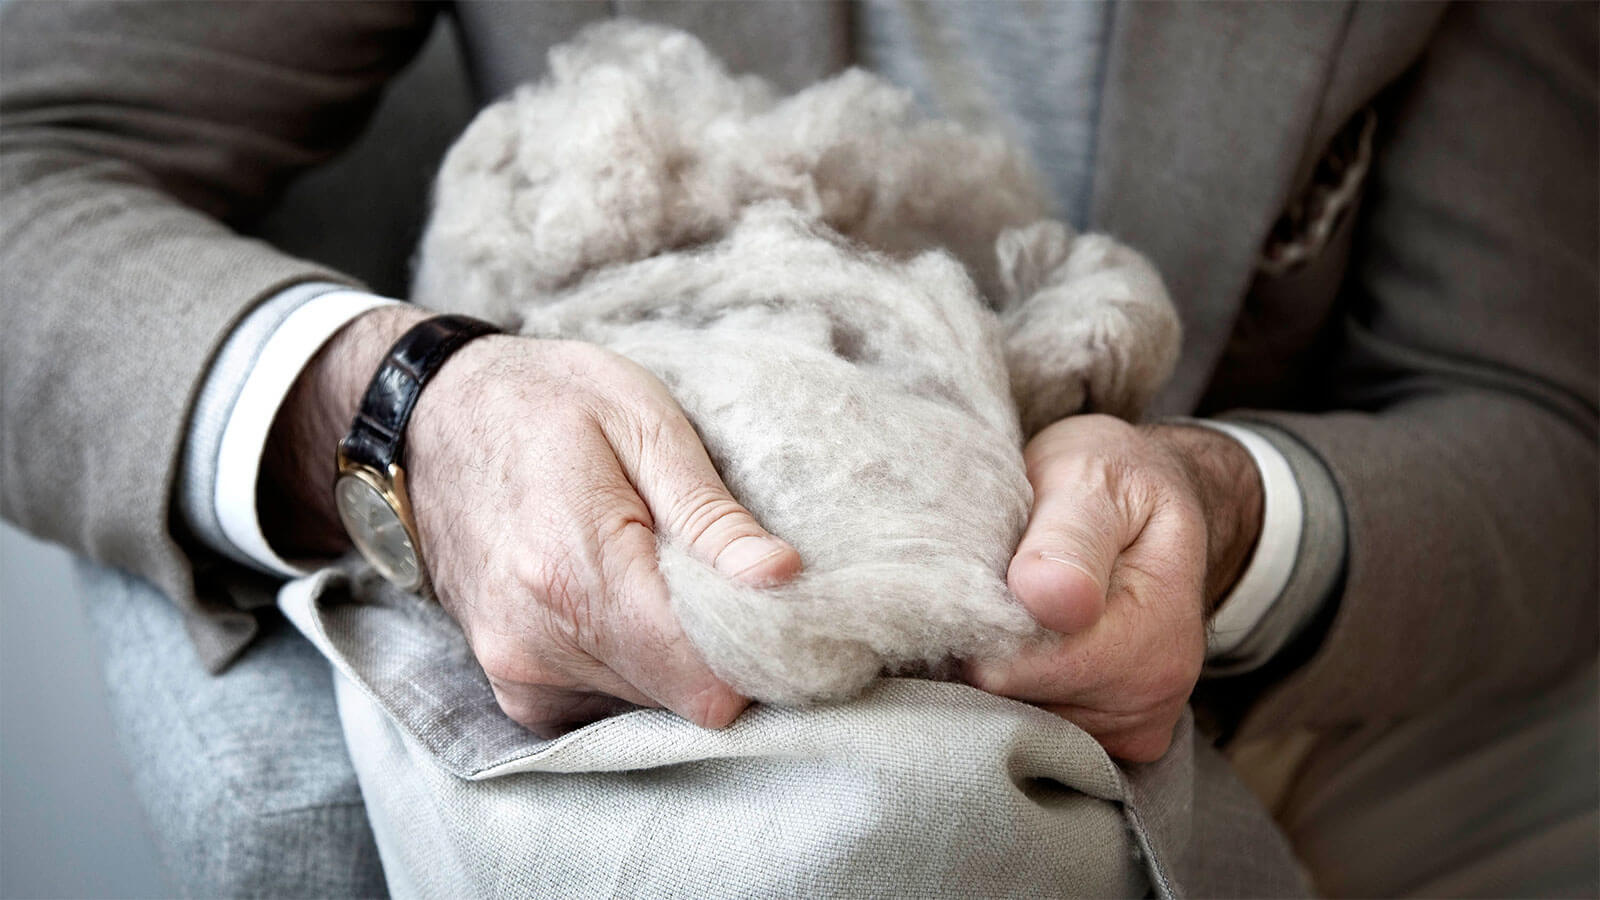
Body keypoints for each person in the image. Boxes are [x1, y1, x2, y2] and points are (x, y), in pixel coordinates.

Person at [1, 1, 1594, 896]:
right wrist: (400, 408)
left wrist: (1226, 513)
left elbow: (1530, 417)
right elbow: (27, 170)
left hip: (1143, 643)